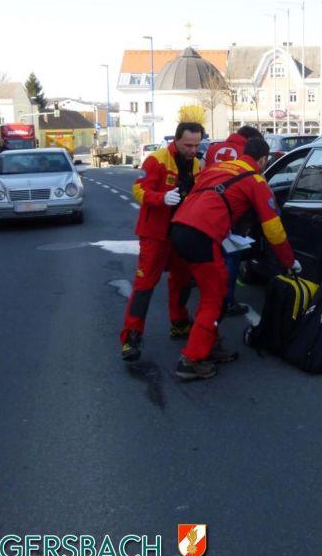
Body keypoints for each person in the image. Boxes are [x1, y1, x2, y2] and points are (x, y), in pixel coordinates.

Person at [168, 137, 299, 381]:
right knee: (214, 299)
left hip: (179, 228)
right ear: (262, 160)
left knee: (208, 290)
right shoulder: (255, 180)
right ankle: (192, 360)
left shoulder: (218, 168)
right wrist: (289, 262)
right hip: (202, 236)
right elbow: (273, 229)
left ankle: (208, 345)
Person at [120, 122, 203, 362]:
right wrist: (161, 197)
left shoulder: (197, 163)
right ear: (176, 140)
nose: (192, 150)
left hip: (181, 233)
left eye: (196, 145)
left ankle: (178, 322)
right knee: (145, 285)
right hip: (155, 234)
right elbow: (138, 190)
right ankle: (131, 337)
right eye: (188, 145)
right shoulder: (156, 160)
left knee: (182, 280)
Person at [203, 125, 265, 317]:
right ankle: (226, 300)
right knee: (231, 254)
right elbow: (251, 180)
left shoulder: (214, 148)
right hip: (234, 210)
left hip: (208, 206)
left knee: (214, 256)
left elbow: (204, 172)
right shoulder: (245, 153)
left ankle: (213, 296)